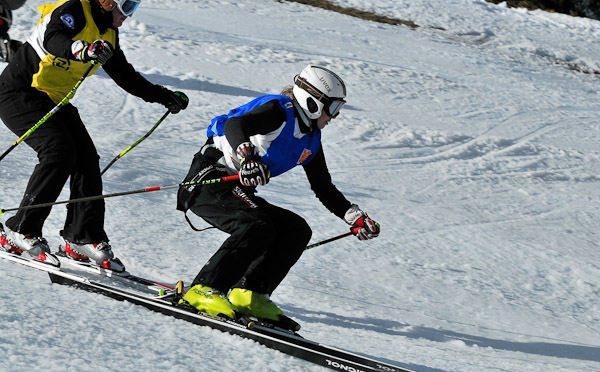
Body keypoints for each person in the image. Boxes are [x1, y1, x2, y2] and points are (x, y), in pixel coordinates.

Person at [177, 65, 380, 327]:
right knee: (257, 225)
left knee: (295, 229)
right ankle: (203, 290)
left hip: (236, 190)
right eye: (332, 108)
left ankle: (248, 293)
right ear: (314, 103)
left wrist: (355, 217)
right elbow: (235, 124)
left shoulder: (311, 140)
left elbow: (323, 187)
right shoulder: (279, 112)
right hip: (210, 179)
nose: (335, 116)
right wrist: (248, 157)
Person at [0, 0, 189, 270]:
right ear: (106, 1)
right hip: (19, 92)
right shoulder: (74, 10)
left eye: (134, 7)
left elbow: (125, 75)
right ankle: (21, 229)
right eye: (126, 5)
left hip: (54, 101)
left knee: (87, 159)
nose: (128, 14)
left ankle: (81, 237)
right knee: (58, 151)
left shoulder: (108, 33)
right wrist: (81, 49)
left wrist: (164, 96)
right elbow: (55, 38)